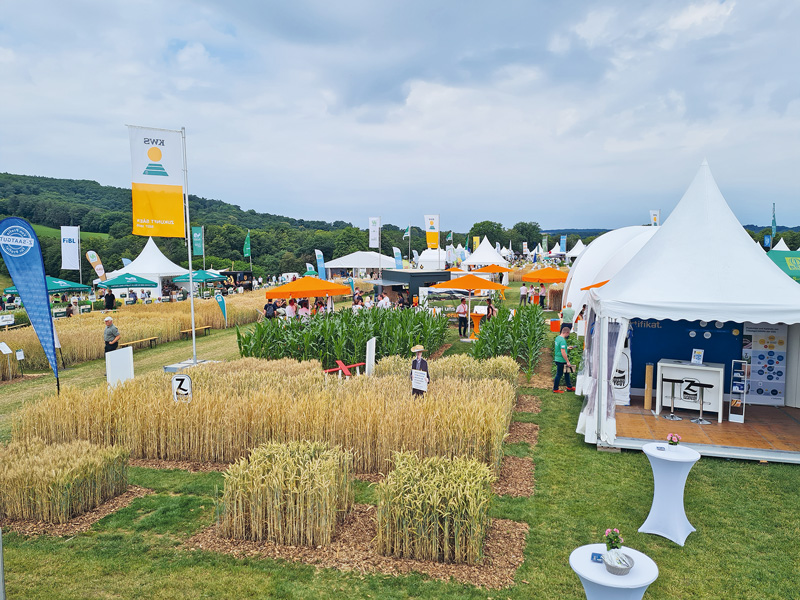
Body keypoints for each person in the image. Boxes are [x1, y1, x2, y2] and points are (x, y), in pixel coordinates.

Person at [553, 324, 574, 393]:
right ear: (566, 332)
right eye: (569, 333)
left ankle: (569, 387)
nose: (568, 335)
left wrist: (567, 348)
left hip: (557, 358)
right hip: (561, 360)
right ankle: (555, 389)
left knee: (567, 372)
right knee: (559, 374)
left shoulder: (558, 338)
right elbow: (563, 352)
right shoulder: (563, 341)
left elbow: (560, 348)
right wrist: (567, 361)